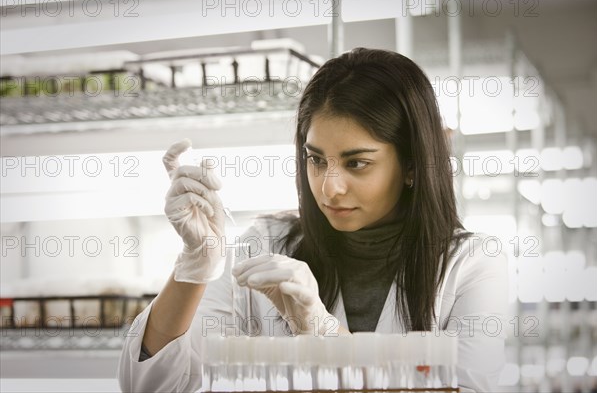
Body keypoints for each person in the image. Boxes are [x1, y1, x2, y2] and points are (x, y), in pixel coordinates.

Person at [118, 48, 508, 393]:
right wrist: (194, 265)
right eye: (316, 160)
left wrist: (322, 333)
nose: (329, 188)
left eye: (357, 163)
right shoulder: (267, 244)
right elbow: (152, 385)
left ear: (411, 165)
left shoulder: (472, 264)